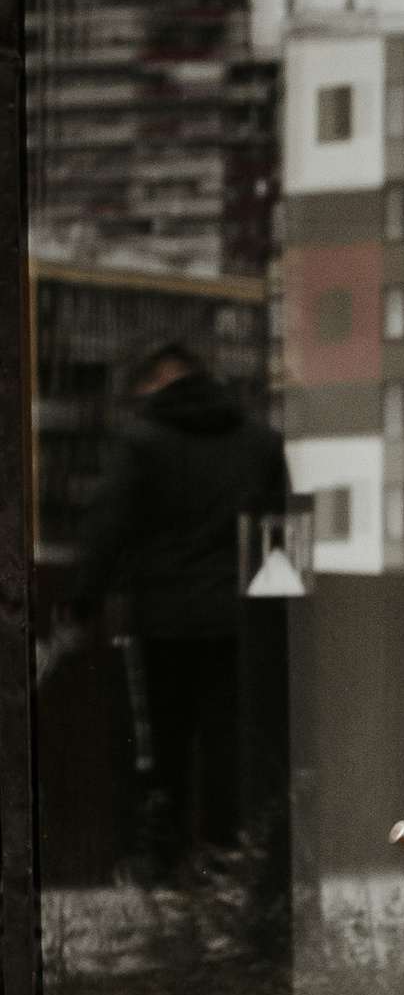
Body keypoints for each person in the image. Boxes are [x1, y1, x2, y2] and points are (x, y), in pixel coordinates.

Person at [63, 341, 293, 866]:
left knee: (156, 751)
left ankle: (159, 867)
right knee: (228, 748)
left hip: (158, 622)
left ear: (159, 380)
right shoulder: (261, 442)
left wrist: (80, 606)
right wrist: (278, 622)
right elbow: (281, 538)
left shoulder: (142, 440)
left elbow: (107, 526)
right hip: (236, 624)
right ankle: (223, 865)